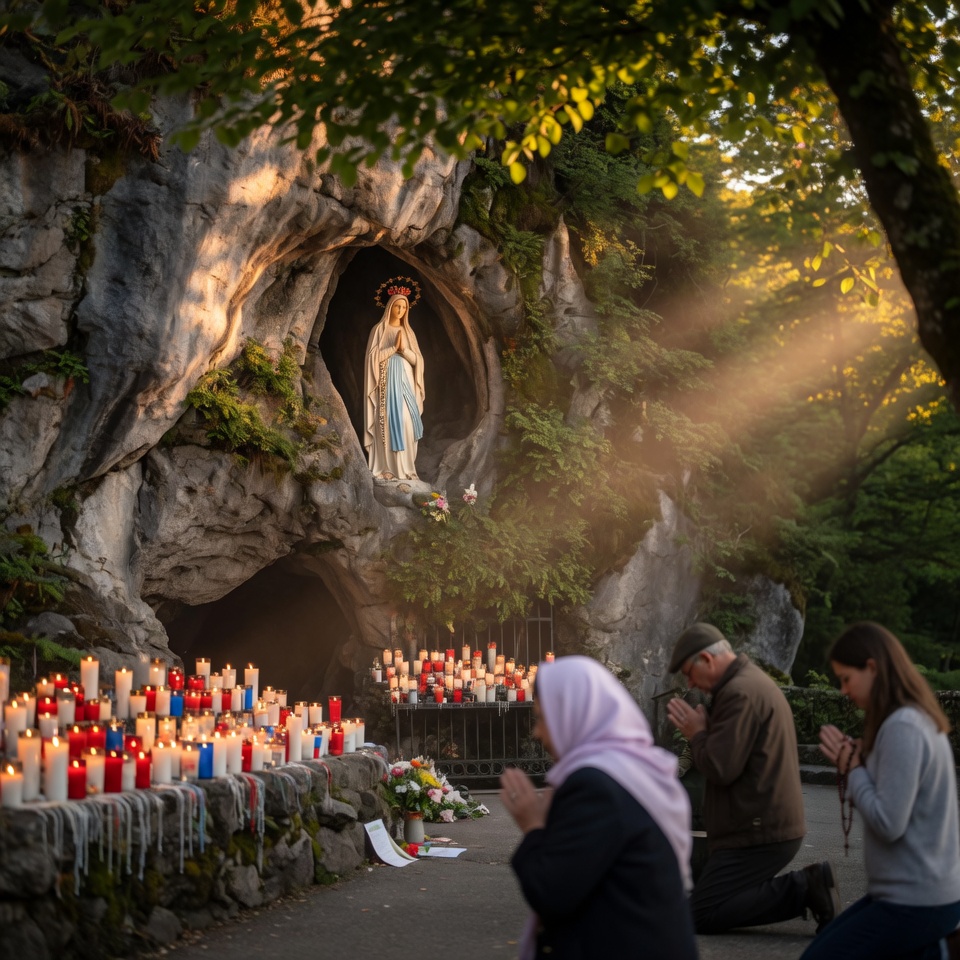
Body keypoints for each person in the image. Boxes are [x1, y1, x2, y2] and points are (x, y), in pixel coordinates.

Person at [500, 655, 698, 960]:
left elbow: (551, 892)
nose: (537, 733)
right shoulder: (630, 768)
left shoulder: (595, 785)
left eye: (542, 719)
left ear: (574, 714)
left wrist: (532, 826)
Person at [799, 621, 960, 960]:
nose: (843, 690)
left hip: (915, 902)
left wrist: (852, 768)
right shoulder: (910, 719)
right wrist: (860, 761)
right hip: (915, 897)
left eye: (846, 679)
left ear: (872, 667)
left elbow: (889, 822)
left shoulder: (903, 726)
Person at [666, 622, 839, 935]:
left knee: (699, 915)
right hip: (759, 826)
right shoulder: (743, 684)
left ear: (706, 659)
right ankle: (806, 887)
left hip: (761, 833)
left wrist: (697, 733)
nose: (689, 683)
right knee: (697, 903)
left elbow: (720, 767)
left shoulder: (739, 693)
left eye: (689, 673)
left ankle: (805, 887)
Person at [363, 289, 424, 480]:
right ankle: (386, 468)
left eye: (404, 307)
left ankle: (407, 469)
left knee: (407, 422)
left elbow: (418, 361)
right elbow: (372, 359)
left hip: (406, 383)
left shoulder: (408, 332)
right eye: (397, 306)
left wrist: (404, 350)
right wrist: (392, 349)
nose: (401, 310)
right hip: (386, 385)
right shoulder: (379, 330)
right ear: (390, 307)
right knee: (388, 422)